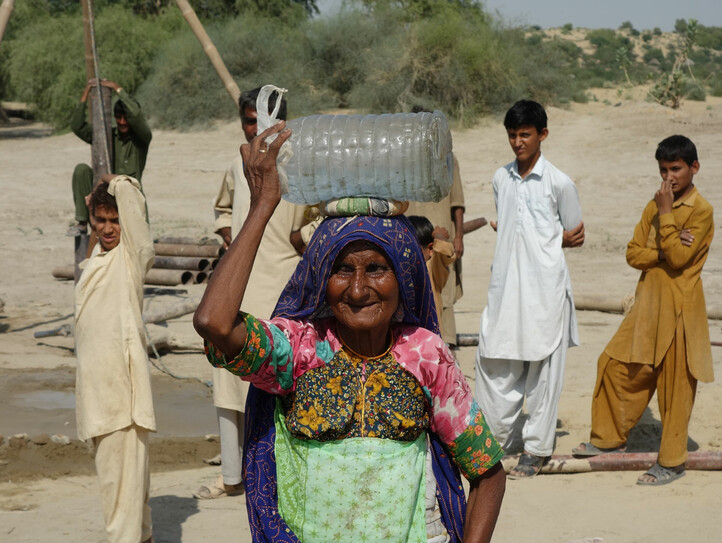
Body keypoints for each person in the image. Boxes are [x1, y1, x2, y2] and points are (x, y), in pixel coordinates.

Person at [194, 122, 506, 542]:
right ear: (321, 278)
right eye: (342, 269)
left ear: (404, 278)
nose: (358, 289)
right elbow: (214, 323)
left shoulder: (426, 354)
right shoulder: (301, 350)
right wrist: (262, 206)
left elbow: (487, 471)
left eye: (376, 268)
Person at [194, 87, 314, 500]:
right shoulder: (238, 161)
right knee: (228, 381)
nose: (257, 129)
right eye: (249, 121)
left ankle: (276, 473)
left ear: (284, 121)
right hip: (238, 285)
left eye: (264, 120)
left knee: (278, 375)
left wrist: (303, 240)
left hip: (283, 284)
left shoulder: (303, 164)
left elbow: (318, 220)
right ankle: (232, 476)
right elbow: (223, 209)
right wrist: (231, 239)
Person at [573, 135, 714, 486]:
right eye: (664, 170)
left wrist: (666, 216)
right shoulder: (653, 206)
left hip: (681, 312)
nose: (669, 178)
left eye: (676, 169)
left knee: (675, 386)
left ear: (694, 168)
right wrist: (664, 248)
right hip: (647, 306)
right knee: (614, 365)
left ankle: (672, 461)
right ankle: (608, 440)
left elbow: (683, 258)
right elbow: (633, 253)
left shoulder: (701, 211)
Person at [474, 99, 585, 479]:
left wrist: (549, 243)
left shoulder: (559, 182)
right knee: (495, 360)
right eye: (512, 135)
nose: (518, 142)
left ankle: (536, 449)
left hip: (545, 291)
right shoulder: (500, 178)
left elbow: (574, 233)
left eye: (525, 135)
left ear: (542, 135)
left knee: (543, 370)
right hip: (505, 288)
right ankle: (493, 441)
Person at [74, 174, 155, 543]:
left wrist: (117, 181)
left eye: (116, 220)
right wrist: (97, 202)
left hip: (121, 399)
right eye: (101, 221)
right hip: (100, 394)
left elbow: (135, 209)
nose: (108, 229)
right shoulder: (98, 258)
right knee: (130, 494)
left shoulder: (130, 259)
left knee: (118, 493)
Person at [68, 79, 152, 236]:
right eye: (118, 117)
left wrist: (117, 88)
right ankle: (81, 223)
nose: (122, 122)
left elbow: (136, 115)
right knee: (81, 170)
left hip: (130, 198)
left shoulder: (142, 139)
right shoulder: (106, 136)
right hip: (104, 199)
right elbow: (77, 126)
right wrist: (86, 94)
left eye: (125, 118)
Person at [406, 154, 465, 347]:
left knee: (441, 289)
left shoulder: (446, 157)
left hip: (439, 236)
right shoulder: (397, 151)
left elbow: (457, 202)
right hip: (409, 233)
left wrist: (458, 237)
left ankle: (445, 342)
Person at [408, 215, 456, 325]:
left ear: (430, 249)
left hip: (429, 337)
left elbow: (446, 252)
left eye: (413, 250)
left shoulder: (433, 268)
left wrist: (439, 238)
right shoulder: (399, 267)